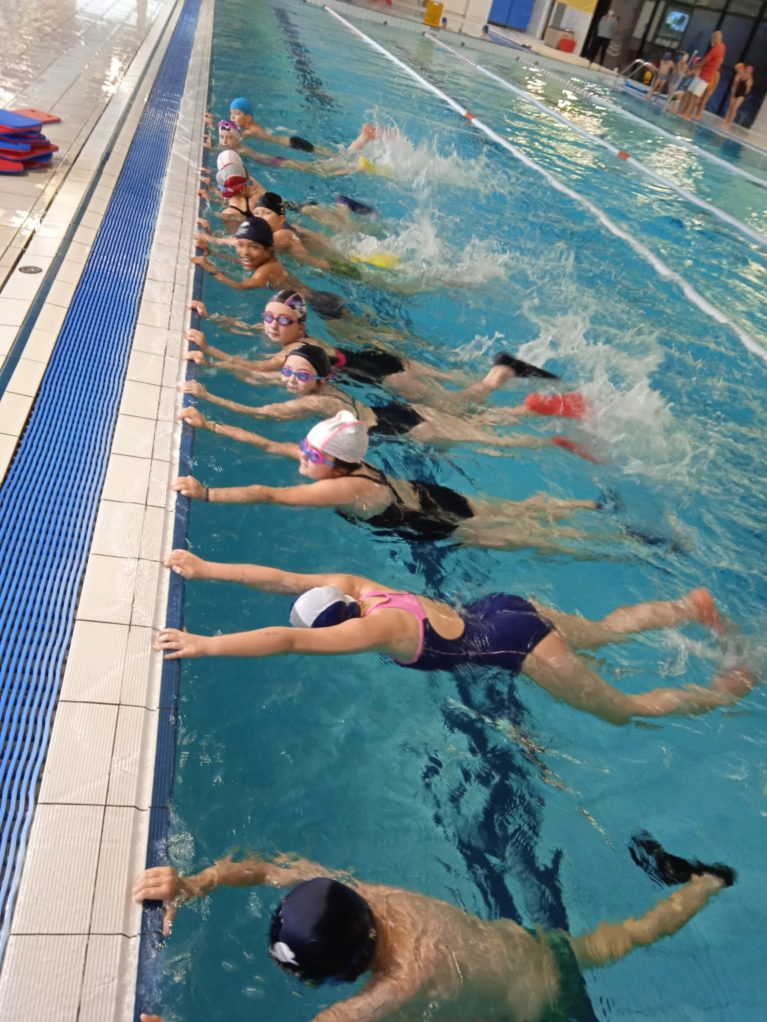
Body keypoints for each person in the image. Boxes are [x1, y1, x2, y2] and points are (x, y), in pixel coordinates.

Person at [134, 833, 735, 1021]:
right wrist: (192, 882)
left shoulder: (402, 982)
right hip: (533, 949)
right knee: (620, 940)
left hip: (548, 1010)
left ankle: (708, 887)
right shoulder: (360, 896)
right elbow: (271, 869)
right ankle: (707, 883)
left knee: (617, 945)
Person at [156, 548, 753, 724]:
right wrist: (209, 568)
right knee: (598, 633)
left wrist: (206, 644)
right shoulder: (361, 588)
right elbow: (282, 575)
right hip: (502, 608)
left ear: (335, 628)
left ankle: (730, 688)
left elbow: (286, 641)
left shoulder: (375, 628)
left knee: (621, 711)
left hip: (516, 645)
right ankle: (686, 607)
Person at [172, 408, 607, 552]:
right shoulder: (346, 465)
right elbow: (269, 444)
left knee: (519, 537)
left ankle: (594, 539)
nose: (301, 454)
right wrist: (210, 425)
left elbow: (270, 494)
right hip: (430, 495)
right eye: (305, 448)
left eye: (311, 453)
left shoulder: (339, 486)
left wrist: (207, 493)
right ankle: (587, 507)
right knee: (509, 511)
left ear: (336, 464)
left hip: (431, 520)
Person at [179, 342, 587, 457]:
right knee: (464, 410)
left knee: (488, 439)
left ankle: (543, 429)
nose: (289, 380)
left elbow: (262, 415)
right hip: (396, 415)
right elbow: (259, 376)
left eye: (299, 376)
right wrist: (215, 358)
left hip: (403, 427)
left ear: (320, 380)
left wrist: (211, 401)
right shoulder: (326, 390)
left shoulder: (314, 403)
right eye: (287, 374)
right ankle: (502, 373)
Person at [187, 290, 564, 407]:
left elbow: (257, 369)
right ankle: (507, 370)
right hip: (378, 357)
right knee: (454, 380)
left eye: (281, 320)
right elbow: (252, 330)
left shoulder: (294, 350)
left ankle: (501, 373)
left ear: (301, 324)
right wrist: (215, 318)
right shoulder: (300, 339)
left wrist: (211, 353)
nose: (271, 325)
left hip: (390, 377)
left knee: (457, 404)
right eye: (269, 318)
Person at [678, 31, 726, 121]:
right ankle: (682, 111)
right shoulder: (722, 47)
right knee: (689, 93)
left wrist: (691, 68)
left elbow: (704, 62)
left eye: (712, 39)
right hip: (702, 76)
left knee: (695, 96)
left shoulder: (716, 49)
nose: (711, 40)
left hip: (705, 77)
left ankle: (688, 114)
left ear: (715, 38)